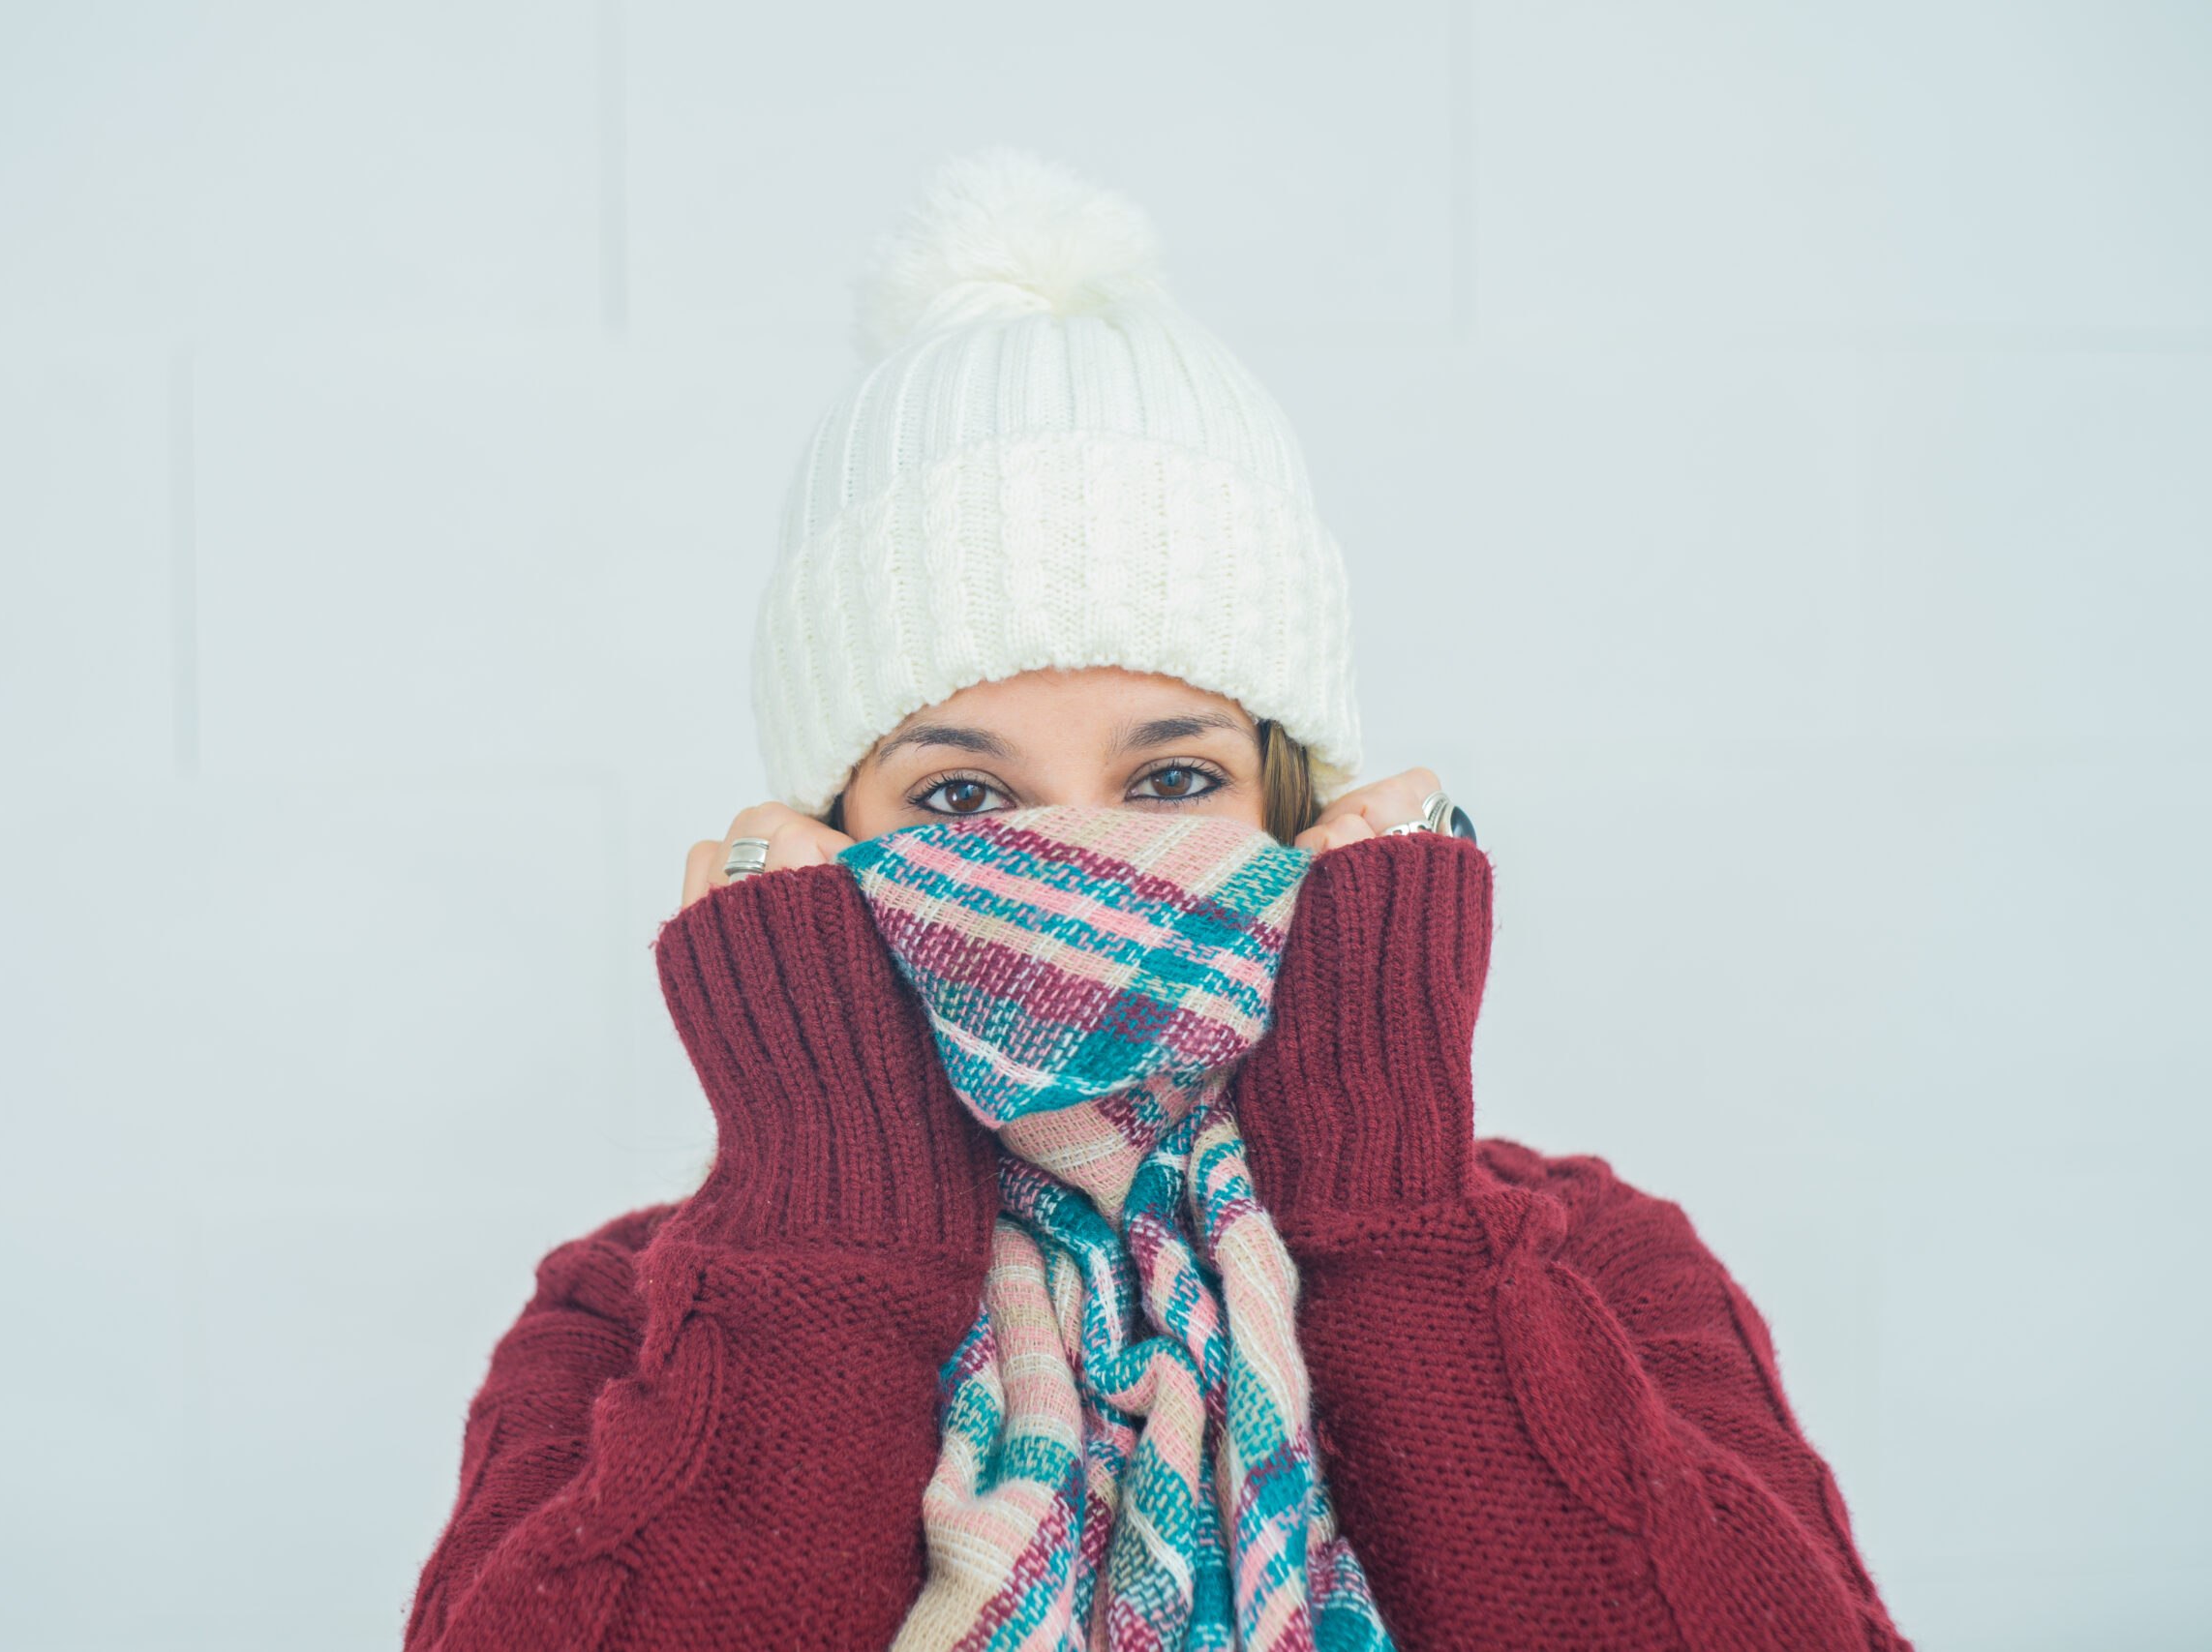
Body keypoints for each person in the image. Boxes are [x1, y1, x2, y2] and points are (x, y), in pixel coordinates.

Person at [401, 149, 1910, 1652]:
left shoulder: (1587, 1263)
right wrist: (825, 1223)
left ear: (1302, 812)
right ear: (823, 845)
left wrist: (1392, 1205)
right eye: (960, 799)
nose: (1074, 862)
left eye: (1175, 782)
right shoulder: (632, 1316)